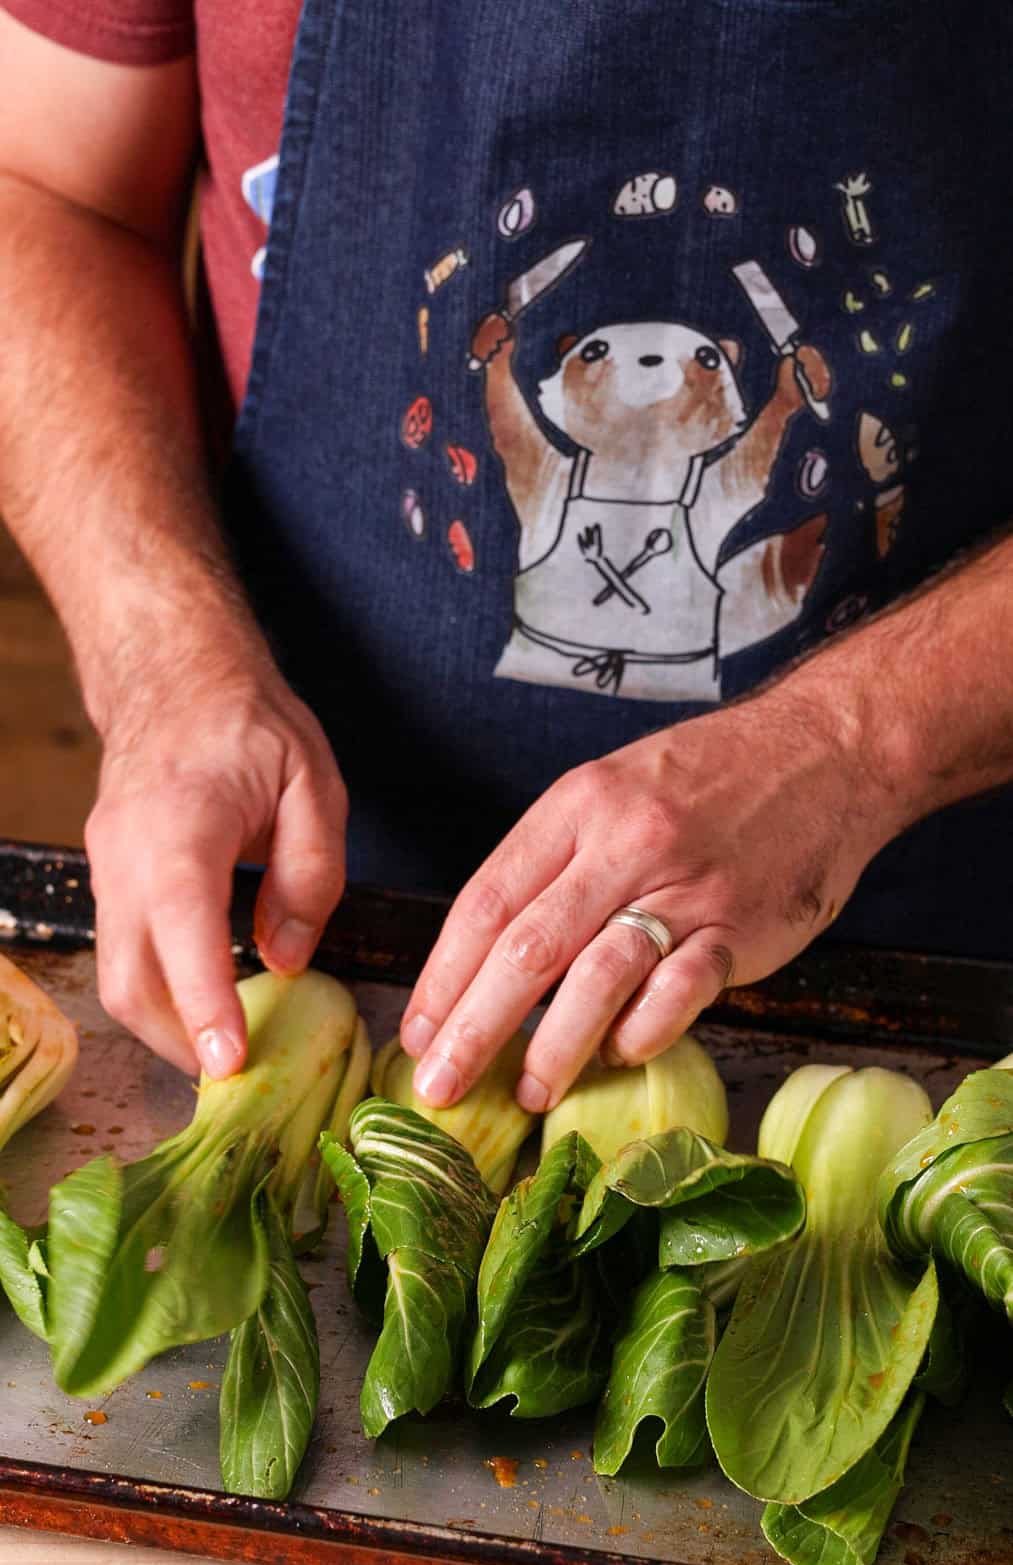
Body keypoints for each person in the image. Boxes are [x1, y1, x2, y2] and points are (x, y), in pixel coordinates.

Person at [1, 1, 1011, 1121]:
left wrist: (848, 743)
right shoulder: (543, 461)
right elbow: (44, 195)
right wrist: (162, 664)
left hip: (928, 932)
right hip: (318, 889)